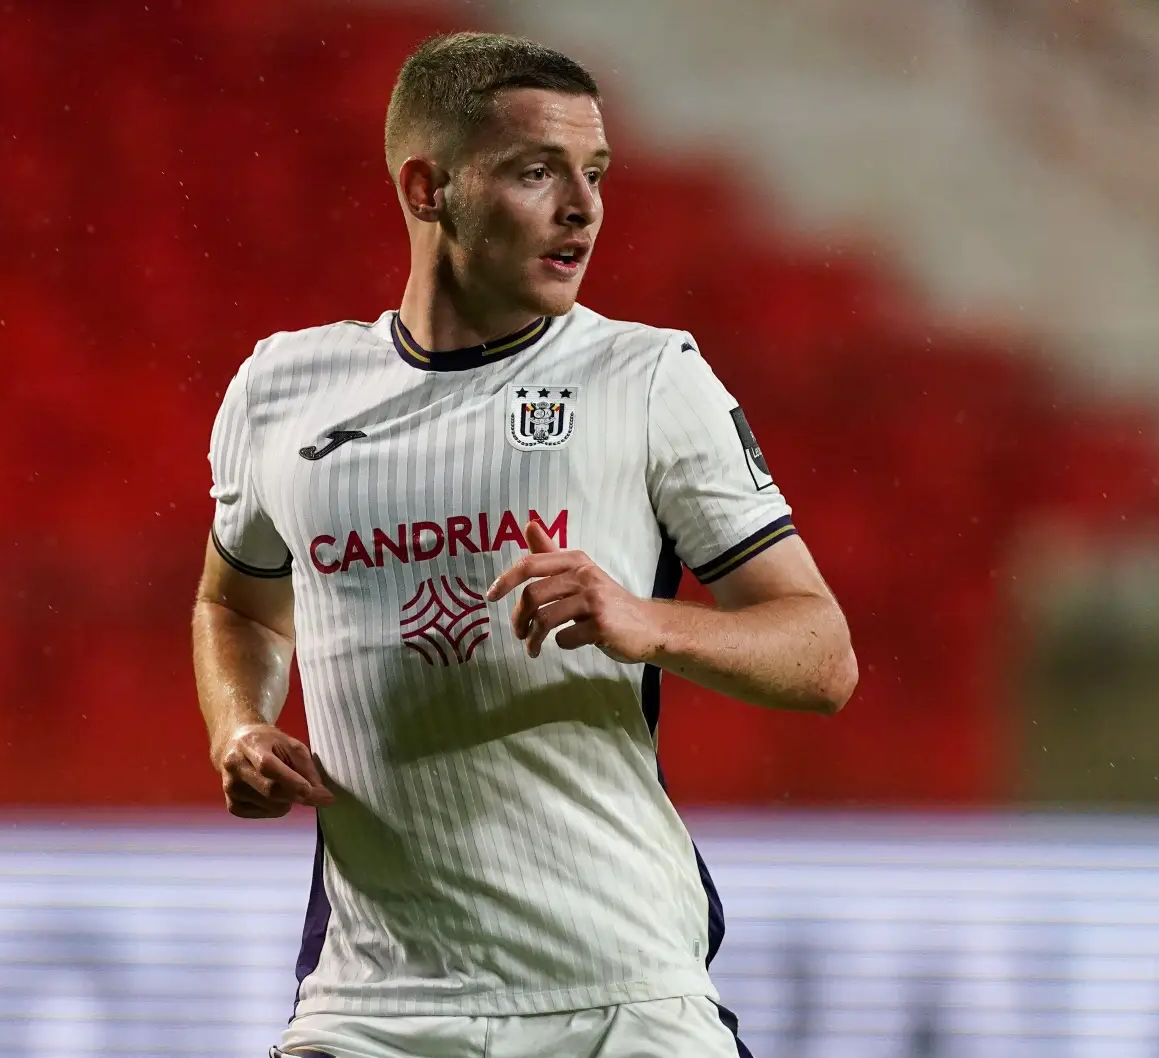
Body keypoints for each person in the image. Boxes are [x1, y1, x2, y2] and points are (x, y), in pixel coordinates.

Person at [191, 31, 857, 1058]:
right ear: (428, 187)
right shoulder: (281, 390)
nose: (582, 209)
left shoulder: (647, 378)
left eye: (594, 174)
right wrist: (238, 724)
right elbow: (235, 602)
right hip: (376, 1005)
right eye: (536, 172)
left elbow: (821, 656)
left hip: (617, 992)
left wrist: (645, 621)